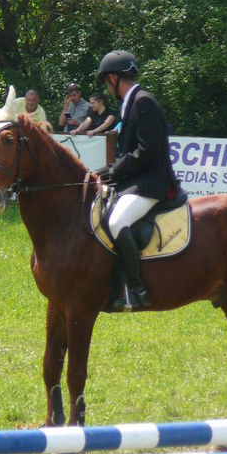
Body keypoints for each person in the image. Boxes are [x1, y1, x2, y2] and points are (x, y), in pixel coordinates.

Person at [96, 50, 187, 310]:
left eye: (106, 81)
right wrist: (105, 171)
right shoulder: (132, 103)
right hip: (137, 180)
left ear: (114, 78)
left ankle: (138, 290)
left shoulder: (143, 102)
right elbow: (129, 153)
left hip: (151, 184)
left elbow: (147, 150)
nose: (106, 87)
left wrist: (115, 171)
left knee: (116, 220)